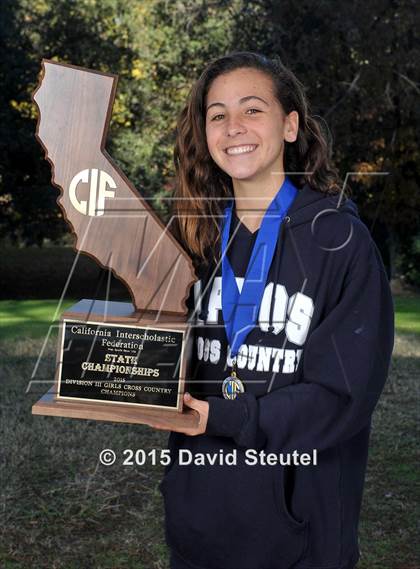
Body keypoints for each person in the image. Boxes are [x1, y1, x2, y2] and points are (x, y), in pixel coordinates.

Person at [146, 51, 395, 569]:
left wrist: (232, 415)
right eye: (217, 114)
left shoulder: (341, 241)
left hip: (301, 531)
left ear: (289, 125)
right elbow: (165, 356)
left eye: (252, 109)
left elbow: (343, 397)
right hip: (201, 527)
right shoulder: (194, 241)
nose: (233, 127)